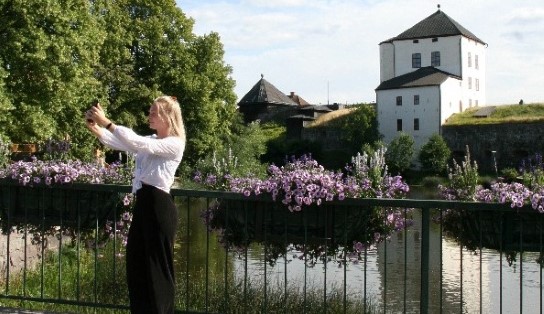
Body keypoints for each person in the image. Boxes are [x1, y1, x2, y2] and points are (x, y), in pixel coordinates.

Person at [85, 96, 185, 313]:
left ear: (167, 117)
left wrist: (107, 122)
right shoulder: (153, 140)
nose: (149, 116)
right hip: (145, 204)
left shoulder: (174, 143)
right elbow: (123, 143)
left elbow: (138, 142)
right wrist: (96, 128)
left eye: (153, 112)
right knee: (137, 263)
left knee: (158, 268)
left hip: (159, 206)